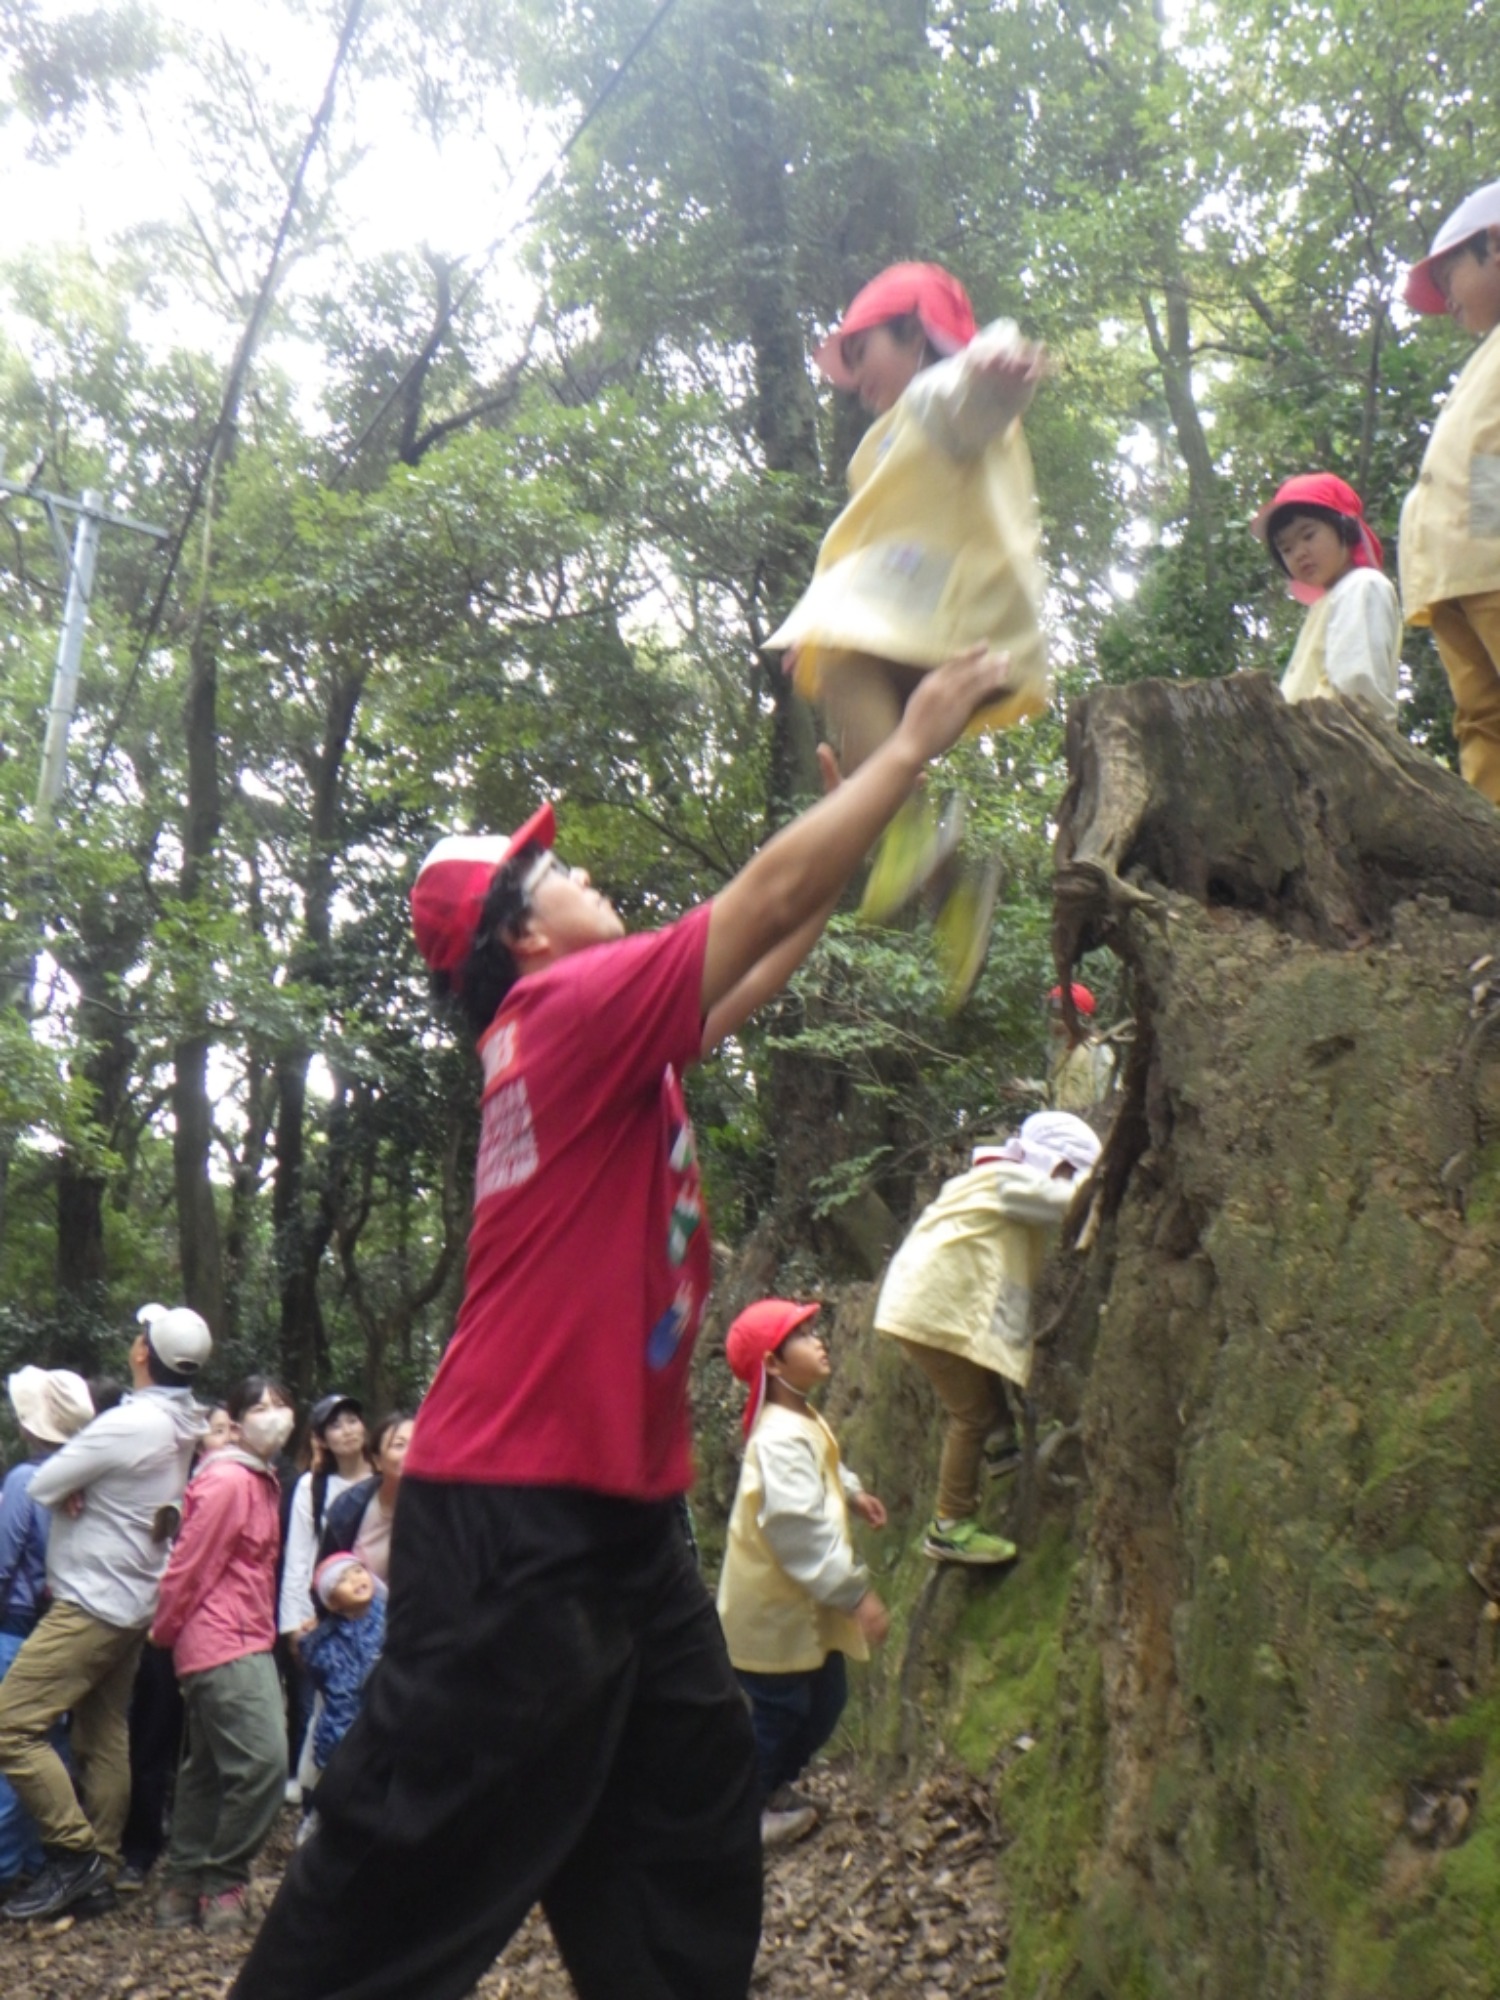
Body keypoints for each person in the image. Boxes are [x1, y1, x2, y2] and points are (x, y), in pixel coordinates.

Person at [230, 638, 1015, 2000]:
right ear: (521, 933)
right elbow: (758, 894)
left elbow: (756, 956)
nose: (588, 875)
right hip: (519, 1519)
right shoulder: (569, 1007)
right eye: (560, 870)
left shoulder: (586, 1035)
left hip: (610, 1512)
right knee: (405, 1860)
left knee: (682, 1817)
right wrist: (908, 749)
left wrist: (857, 834)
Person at [765, 261, 1051, 1007]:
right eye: (847, 362)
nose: (853, 375)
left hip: (951, 622)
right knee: (868, 749)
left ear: (918, 336)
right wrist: (824, 627)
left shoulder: (935, 397)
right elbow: (872, 541)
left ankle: (916, 839)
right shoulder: (889, 438)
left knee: (851, 684)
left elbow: (978, 392)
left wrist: (998, 365)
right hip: (932, 633)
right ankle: (950, 892)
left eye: (866, 352)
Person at [0, 1303, 210, 1921]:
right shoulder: (183, 1420)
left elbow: (45, 1480)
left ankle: (74, 1855)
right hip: (133, 1599)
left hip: (92, 1600)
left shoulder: (131, 1422)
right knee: (101, 1733)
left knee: (9, 1724)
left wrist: (73, 1486)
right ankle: (107, 1869)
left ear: (143, 1353)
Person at [873, 1112, 1100, 1564]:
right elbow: (1068, 1200)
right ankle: (950, 1524)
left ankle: (1002, 1449)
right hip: (933, 1311)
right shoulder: (1008, 1181)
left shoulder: (987, 1182)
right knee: (970, 1414)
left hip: (926, 1305)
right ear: (1049, 1162)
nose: (1065, 1178)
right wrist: (1100, 1182)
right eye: (1066, 1169)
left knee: (979, 1377)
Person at [716, 1300, 889, 1851]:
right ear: (772, 1364)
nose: (820, 1341)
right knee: (782, 1713)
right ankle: (750, 1808)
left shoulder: (800, 1419)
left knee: (827, 1700)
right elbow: (800, 1533)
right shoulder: (776, 1439)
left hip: (799, 1610)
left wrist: (854, 1491)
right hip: (770, 1615)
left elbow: (827, 1464)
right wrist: (855, 1592)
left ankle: (773, 1789)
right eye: (803, 1335)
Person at [149, 1375, 294, 1936]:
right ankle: (223, 1881)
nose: (274, 1415)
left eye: (281, 1406)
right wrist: (164, 1630)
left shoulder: (260, 1479)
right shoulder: (232, 1481)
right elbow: (191, 1565)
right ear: (234, 1422)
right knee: (264, 1764)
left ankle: (182, 1889)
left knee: (207, 1771)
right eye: (259, 1407)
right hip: (223, 1640)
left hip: (237, 1633)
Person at [1399, 178, 1500, 806]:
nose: (1444, 300)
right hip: (1454, 573)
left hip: (1489, 560)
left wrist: (1491, 538)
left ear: (1495, 245)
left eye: (1449, 275)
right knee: (1481, 721)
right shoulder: (1481, 358)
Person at [0, 1368, 94, 1893]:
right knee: (48, 1745)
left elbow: (4, 1560)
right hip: (65, 1627)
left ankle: (5, 1865)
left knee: (11, 1746)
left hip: (16, 1628)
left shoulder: (24, 1479)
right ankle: (39, 1859)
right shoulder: (86, 1477)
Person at [1249, 472, 1400, 723]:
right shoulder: (1331, 600)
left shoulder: (1362, 586)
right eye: (1286, 548)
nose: (1299, 553)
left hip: (1340, 748)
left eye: (1308, 535)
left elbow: (1357, 696)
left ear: (1346, 528)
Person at [278, 1391, 367, 1798]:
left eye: (352, 1420)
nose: (346, 1430)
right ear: (321, 1438)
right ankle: (310, 1787)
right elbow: (298, 1557)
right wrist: (294, 1625)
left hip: (375, 1610)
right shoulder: (312, 1488)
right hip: (324, 1613)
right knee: (315, 1705)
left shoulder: (386, 1480)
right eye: (334, 1424)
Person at [299, 1556, 387, 1780]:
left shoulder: (389, 1618)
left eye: (358, 1571)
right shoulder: (325, 1640)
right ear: (332, 1603)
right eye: (342, 1580)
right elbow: (317, 1671)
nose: (355, 1580)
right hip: (342, 1726)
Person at [314, 1412, 414, 1586]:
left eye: (418, 1443)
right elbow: (326, 1575)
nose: (411, 1452)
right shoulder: (348, 1506)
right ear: (377, 1461)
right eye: (399, 1445)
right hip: (357, 1608)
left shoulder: (441, 1509)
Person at [1045, 982, 1116, 1113]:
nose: (1056, 1022)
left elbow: (1110, 1102)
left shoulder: (1099, 1052)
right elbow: (1054, 1093)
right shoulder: (1058, 1052)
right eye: (1054, 1014)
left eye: (1062, 1015)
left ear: (1082, 1018)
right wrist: (1028, 1088)